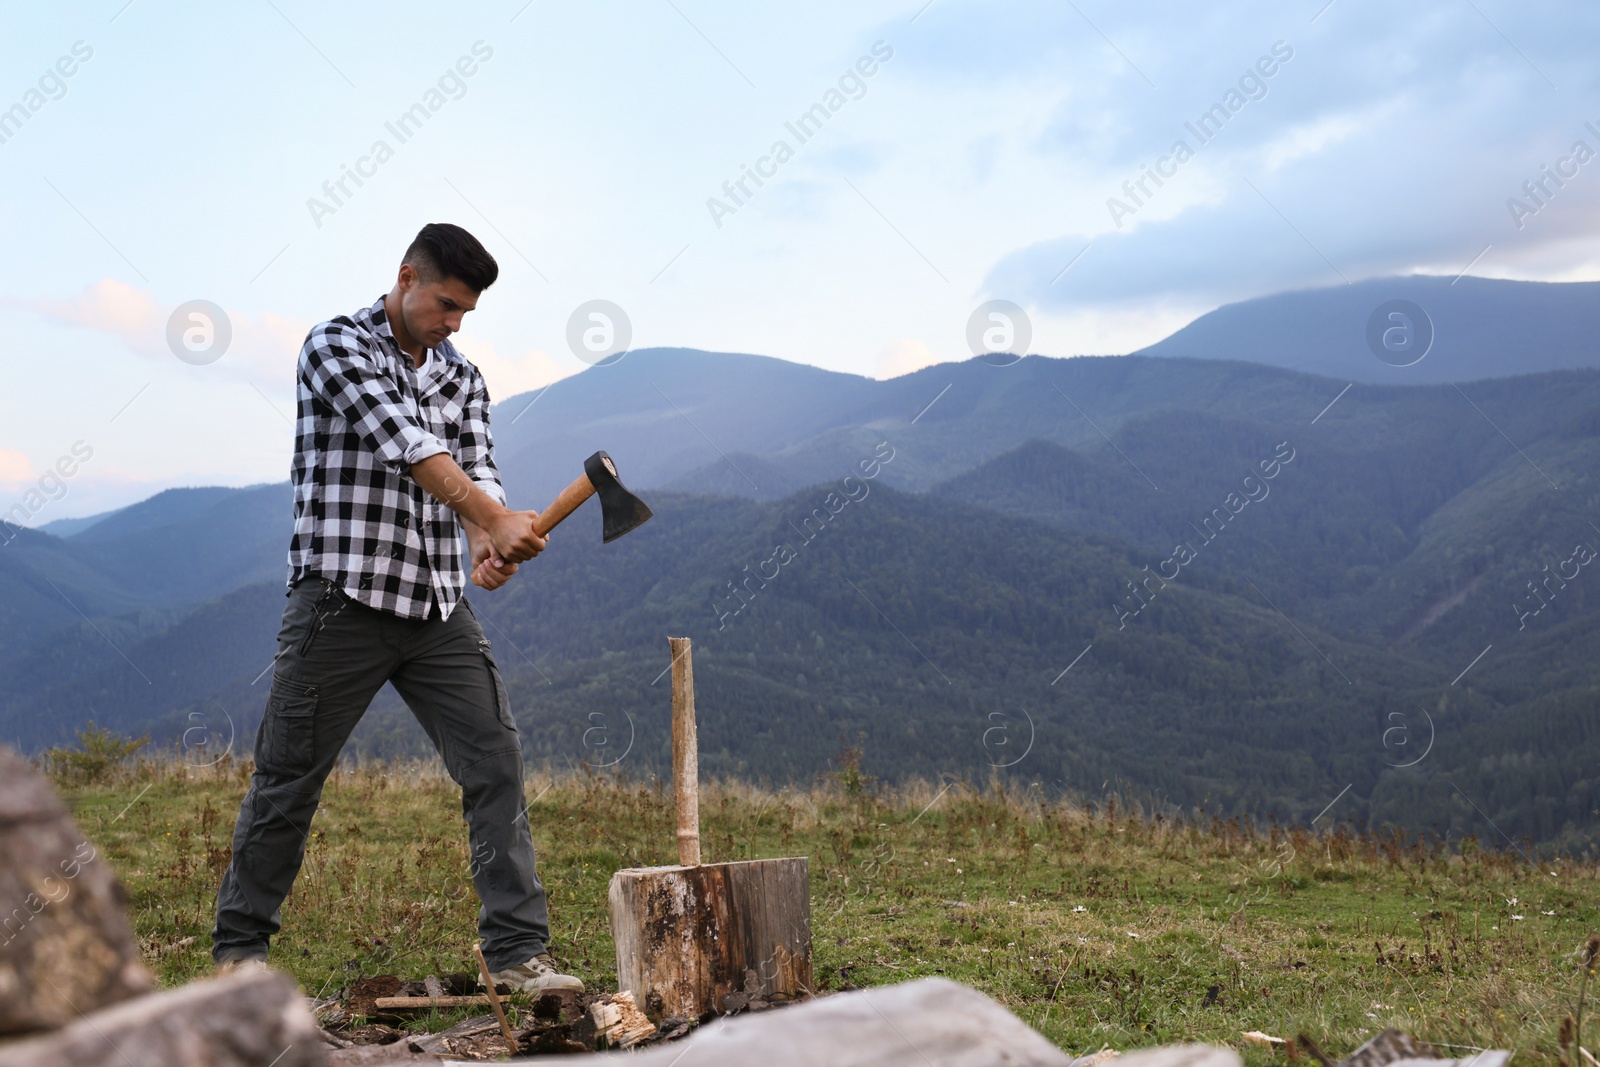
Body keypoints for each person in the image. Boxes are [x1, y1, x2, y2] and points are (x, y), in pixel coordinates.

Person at [210, 223, 582, 995]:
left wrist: (489, 535)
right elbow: (405, 444)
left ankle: (517, 954)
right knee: (288, 778)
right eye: (445, 303)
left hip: (435, 606)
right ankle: (238, 959)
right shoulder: (336, 346)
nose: (453, 323)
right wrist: (488, 512)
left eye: (465, 313)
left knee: (495, 764)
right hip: (339, 602)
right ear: (407, 276)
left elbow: (478, 463)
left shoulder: (463, 376)